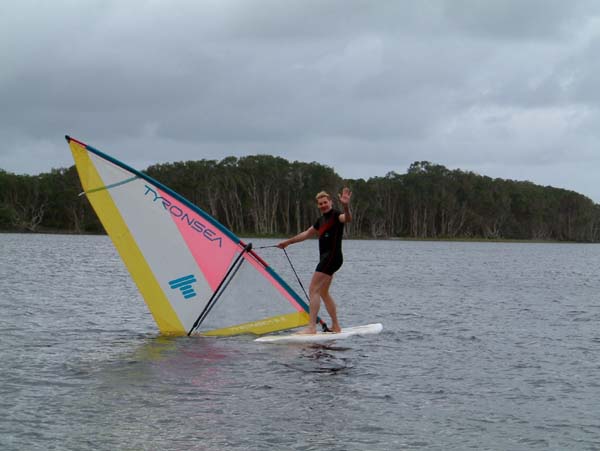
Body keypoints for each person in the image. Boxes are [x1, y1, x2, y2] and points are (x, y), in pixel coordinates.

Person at [277, 187, 352, 334]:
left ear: (330, 202)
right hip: (329, 259)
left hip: (332, 257)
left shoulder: (337, 215)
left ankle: (311, 327)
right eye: (320, 203)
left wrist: (345, 205)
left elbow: (347, 218)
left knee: (313, 289)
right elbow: (306, 234)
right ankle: (336, 326)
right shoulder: (320, 220)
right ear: (318, 205)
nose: (323, 205)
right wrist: (288, 242)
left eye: (325, 202)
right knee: (323, 292)